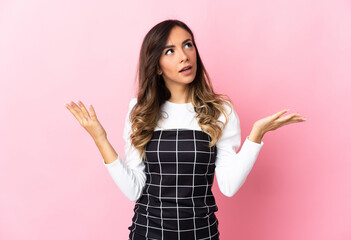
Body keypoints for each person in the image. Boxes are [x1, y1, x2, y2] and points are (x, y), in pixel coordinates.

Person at [65, 19, 306, 240]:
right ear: (157, 66)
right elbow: (134, 189)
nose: (184, 56)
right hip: (148, 233)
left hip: (201, 234)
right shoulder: (139, 111)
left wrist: (256, 136)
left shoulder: (221, 110)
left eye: (188, 45)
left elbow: (229, 186)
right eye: (170, 51)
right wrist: (100, 139)